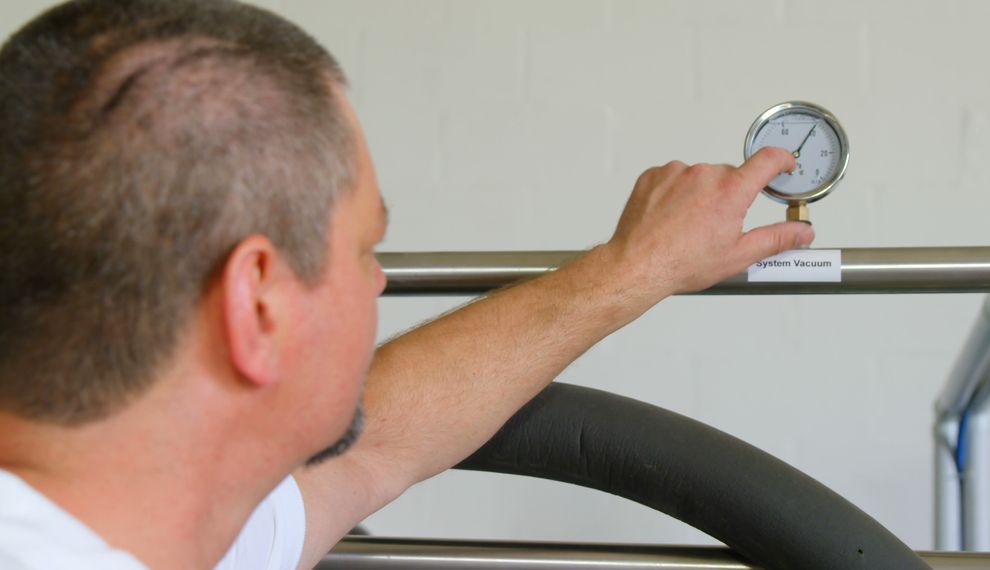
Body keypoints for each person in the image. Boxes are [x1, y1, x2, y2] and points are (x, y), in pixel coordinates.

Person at [0, 0, 814, 568]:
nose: (379, 281)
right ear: (256, 306)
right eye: (365, 248)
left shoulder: (170, 521)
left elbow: (377, 445)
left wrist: (635, 268)